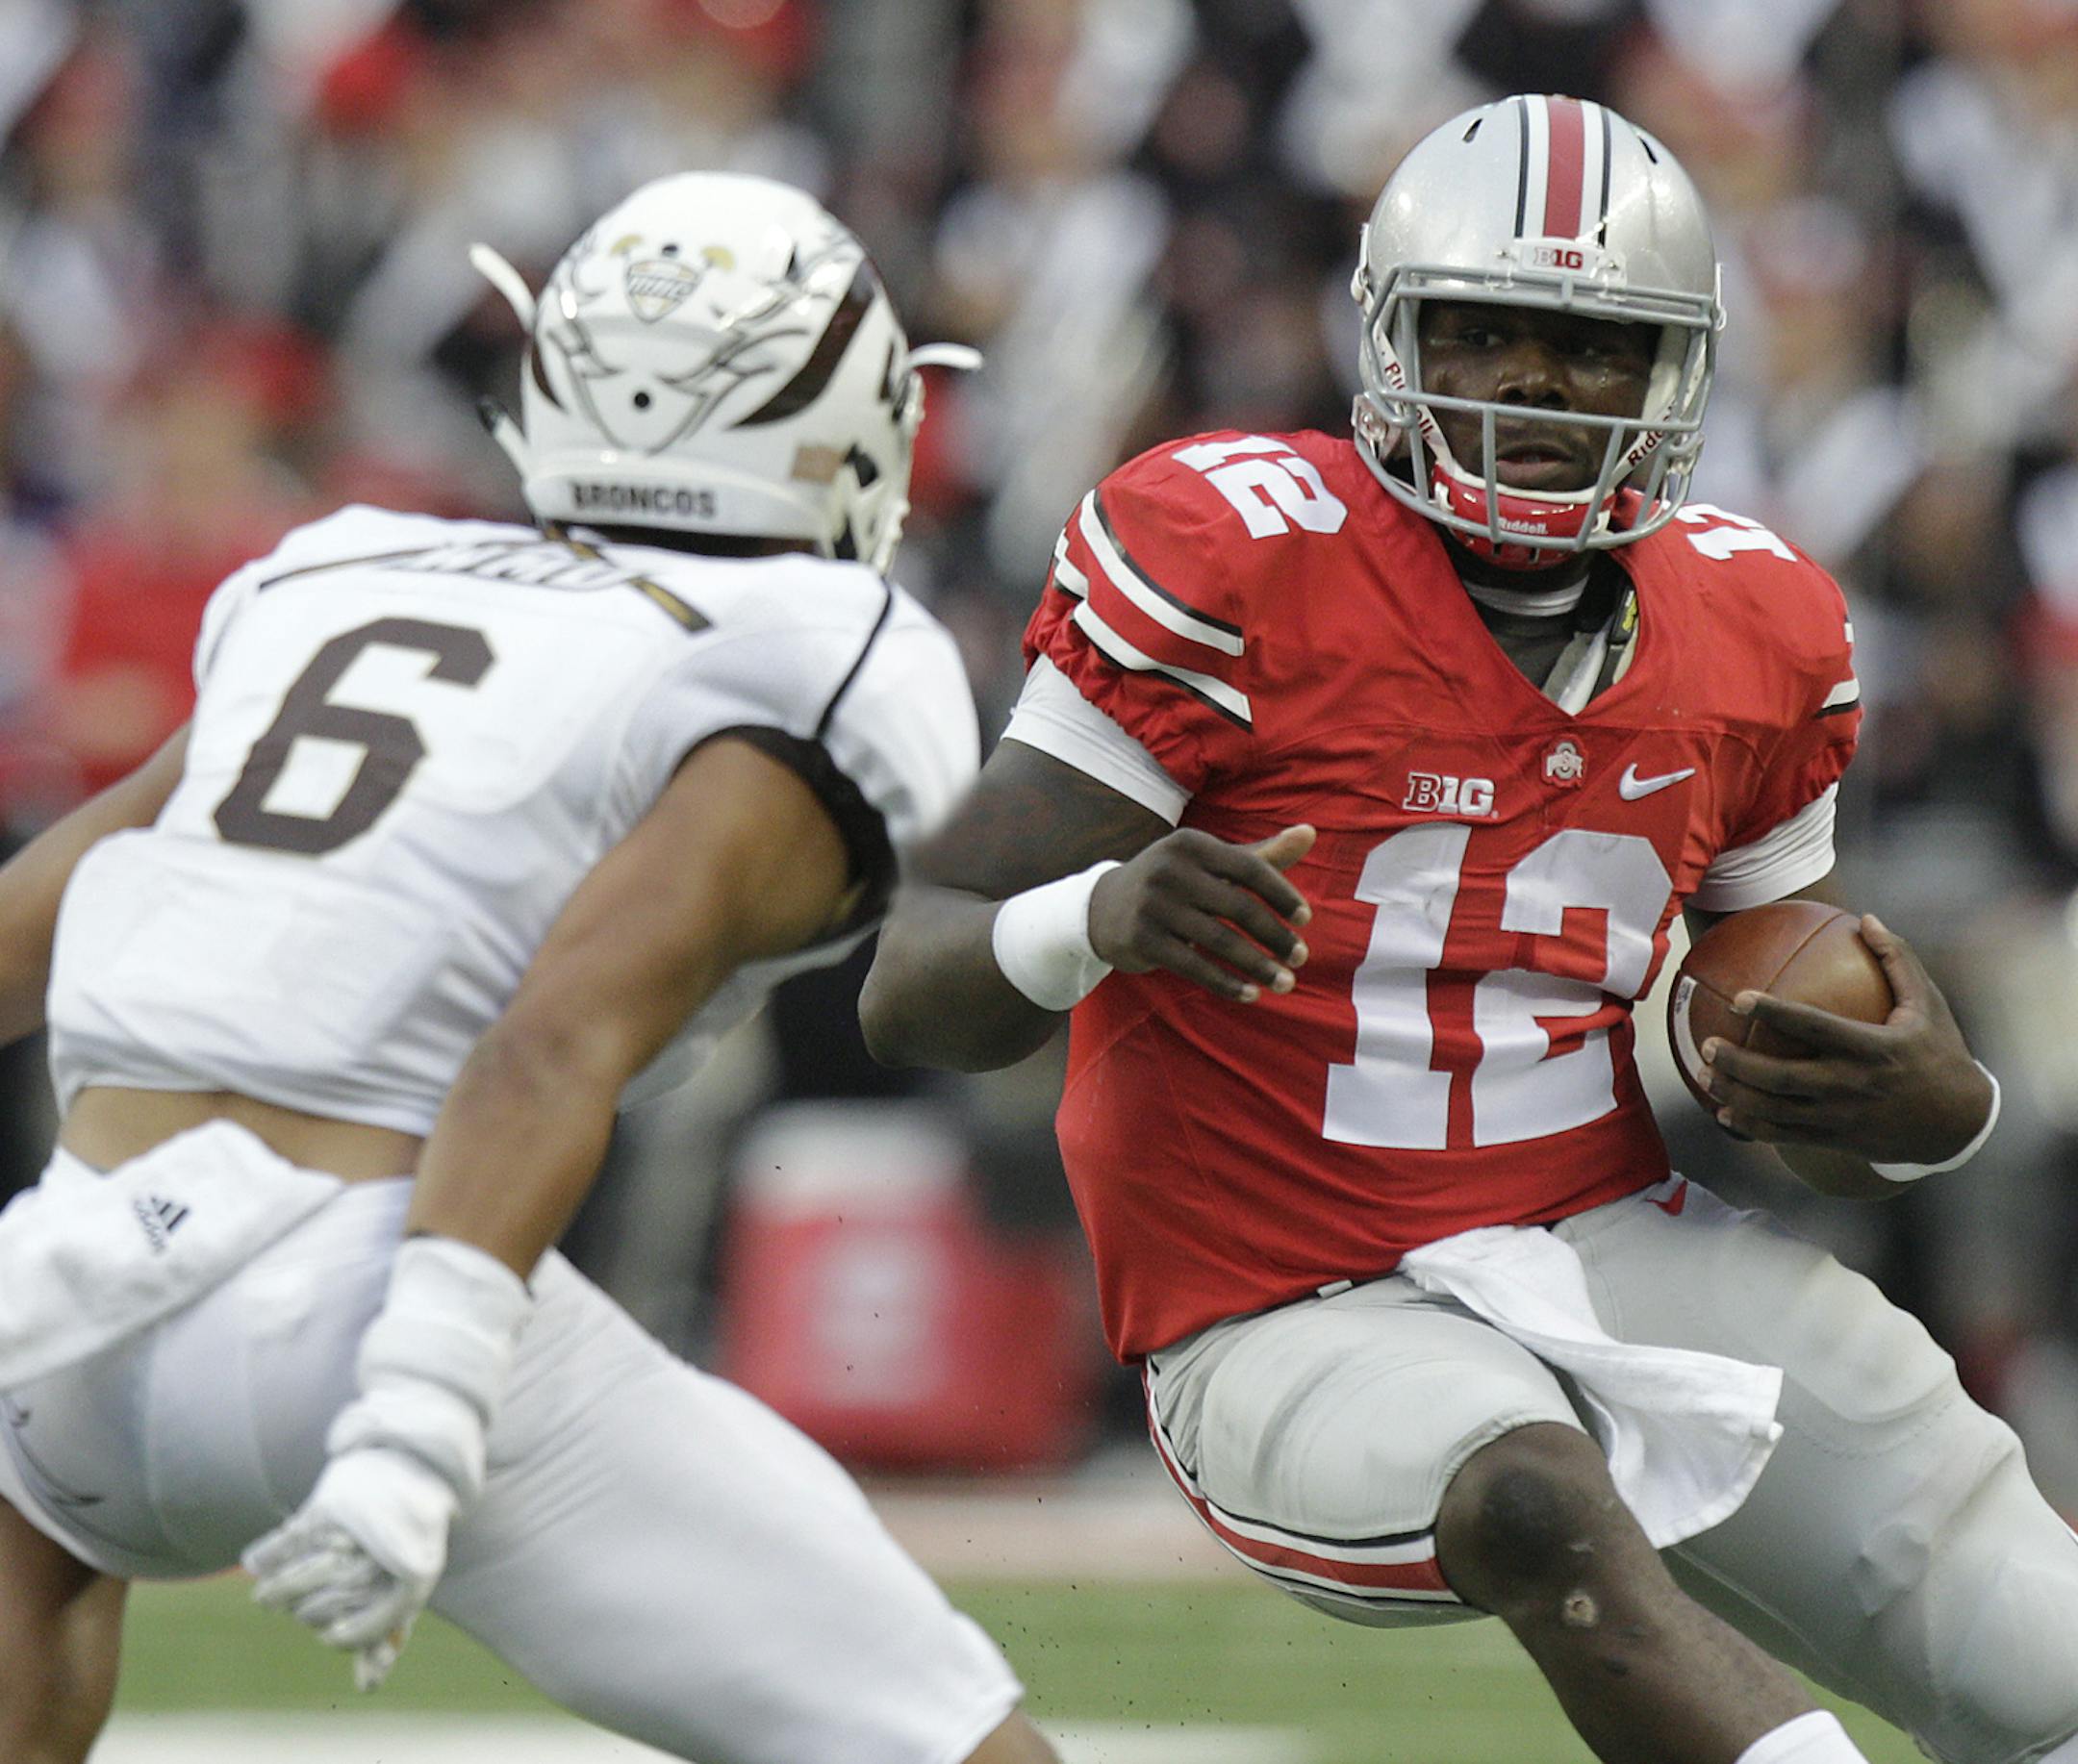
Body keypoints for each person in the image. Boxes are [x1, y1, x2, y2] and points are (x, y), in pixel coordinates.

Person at [860, 95, 2078, 1764]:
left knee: (2033, 1648)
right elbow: (914, 977)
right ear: (1388, 335)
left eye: (1590, 343)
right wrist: (1099, 913)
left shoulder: (1757, 624)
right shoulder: (1235, 563)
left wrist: (1932, 1109)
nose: (1532, 383)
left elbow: (1792, 1068)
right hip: (1277, 1307)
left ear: (1675, 375)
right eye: (1482, 333)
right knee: (1526, 1487)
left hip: (1600, 1241)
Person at [0, 169, 1058, 1764]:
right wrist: (418, 1415)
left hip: (60, 1295)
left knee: (42, 1552)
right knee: (952, 1739)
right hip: (376, 1292)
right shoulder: (825, 637)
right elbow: (556, 1028)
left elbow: (42, 912)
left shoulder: (333, 573)